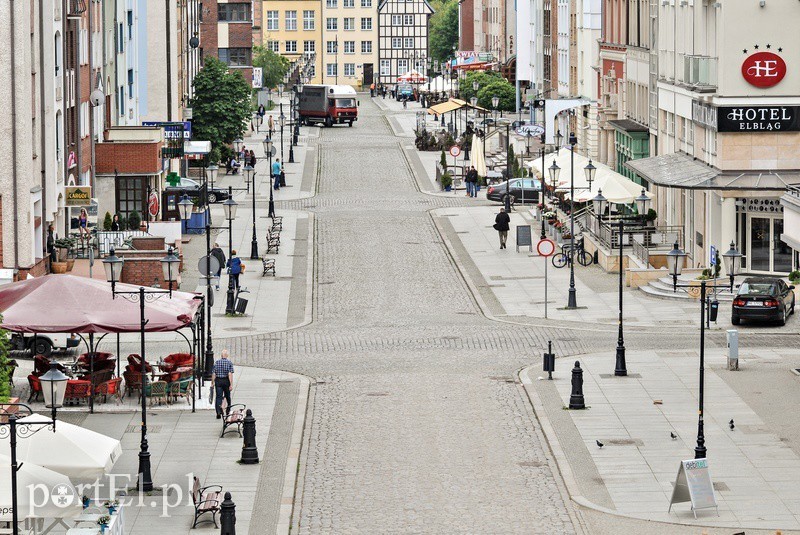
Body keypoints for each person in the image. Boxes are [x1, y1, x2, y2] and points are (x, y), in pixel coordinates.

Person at [211, 350, 234, 419]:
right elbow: (230, 374)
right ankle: (228, 410)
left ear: (221, 355)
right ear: (227, 355)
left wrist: (212, 382)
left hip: (218, 381)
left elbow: (213, 374)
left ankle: (218, 412)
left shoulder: (217, 363)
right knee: (227, 396)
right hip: (226, 380)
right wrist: (231, 384)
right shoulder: (229, 363)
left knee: (218, 397)